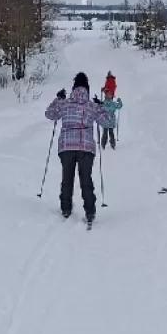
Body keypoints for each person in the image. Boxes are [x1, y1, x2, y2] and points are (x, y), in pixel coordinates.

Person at [45, 72, 116, 222]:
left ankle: (66, 209)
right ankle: (90, 212)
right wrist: (103, 106)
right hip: (86, 148)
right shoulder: (92, 106)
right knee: (86, 179)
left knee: (67, 179)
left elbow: (50, 114)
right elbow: (109, 123)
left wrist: (58, 99)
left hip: (66, 147)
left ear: (73, 88)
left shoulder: (65, 103)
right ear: (87, 89)